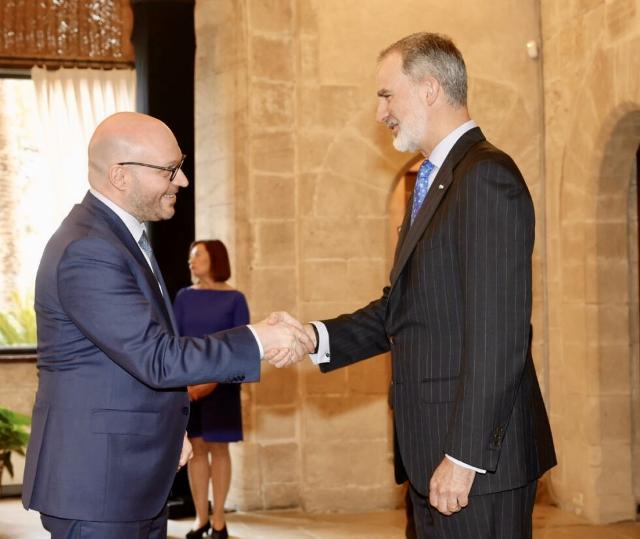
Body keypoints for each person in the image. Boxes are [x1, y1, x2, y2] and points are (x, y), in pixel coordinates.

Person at [288, 32, 557, 538]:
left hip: (475, 465)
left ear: (430, 89)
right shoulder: (437, 180)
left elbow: (500, 334)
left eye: (386, 94)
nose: (379, 112)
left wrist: (464, 456)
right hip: (430, 452)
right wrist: (313, 336)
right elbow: (405, 308)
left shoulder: (485, 178)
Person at [22, 112, 312, 539]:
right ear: (120, 175)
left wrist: (169, 429)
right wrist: (258, 338)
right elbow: (157, 357)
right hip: (98, 485)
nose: (183, 181)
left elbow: (130, 361)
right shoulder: (89, 249)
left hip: (131, 475)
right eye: (169, 170)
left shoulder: (118, 237)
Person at [173, 240, 248, 539]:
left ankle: (219, 521)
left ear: (215, 259)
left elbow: (241, 346)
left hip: (222, 385)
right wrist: (188, 383)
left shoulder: (235, 298)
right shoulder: (183, 297)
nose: (191, 261)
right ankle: (200, 518)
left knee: (219, 448)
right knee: (196, 449)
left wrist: (211, 382)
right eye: (190, 256)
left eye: (197, 256)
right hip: (189, 384)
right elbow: (175, 341)